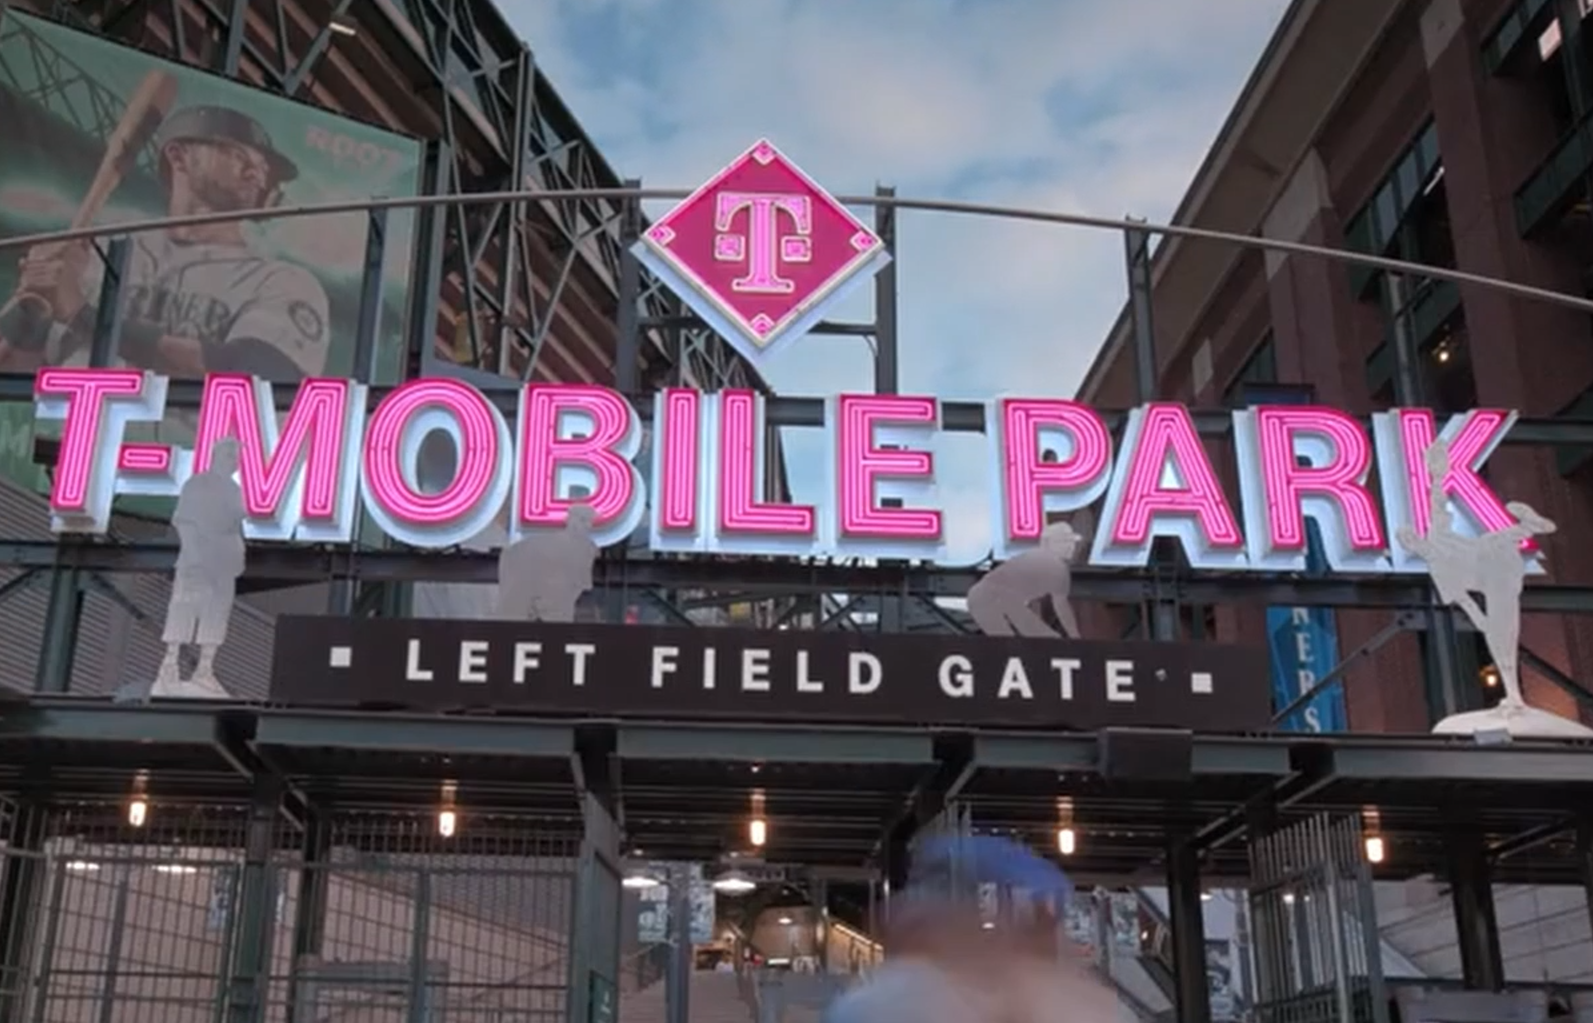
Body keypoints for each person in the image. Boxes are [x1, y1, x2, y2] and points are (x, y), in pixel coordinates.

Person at [0, 105, 331, 385]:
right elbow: (12, 369)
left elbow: (255, 374)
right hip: (67, 438)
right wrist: (34, 304)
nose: (255, 174)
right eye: (238, 156)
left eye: (262, 168)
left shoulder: (281, 281)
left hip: (190, 445)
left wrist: (82, 315)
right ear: (178, 156)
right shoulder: (92, 256)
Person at [1396, 438, 1556, 710]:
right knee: (1500, 637)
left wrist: (1438, 477)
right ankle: (1513, 693)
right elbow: (1462, 599)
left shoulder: (1437, 538)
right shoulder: (1437, 568)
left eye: (1411, 536)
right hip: (1493, 579)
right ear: (1410, 548)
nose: (1413, 540)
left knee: (1494, 542)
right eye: (1408, 541)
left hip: (1495, 562)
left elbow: (1437, 507)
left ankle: (1529, 526)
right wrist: (1481, 621)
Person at [152, 438, 246, 699]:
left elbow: (236, 524)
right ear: (217, 456)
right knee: (185, 607)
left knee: (216, 613)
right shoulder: (198, 484)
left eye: (236, 457)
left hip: (223, 560)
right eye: (230, 456)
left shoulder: (234, 490)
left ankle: (204, 670)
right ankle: (169, 666)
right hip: (199, 556)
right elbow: (184, 521)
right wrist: (193, 552)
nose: (234, 462)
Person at [967, 519, 1083, 639]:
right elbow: (1061, 606)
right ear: (1048, 543)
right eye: (1064, 542)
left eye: (1072, 542)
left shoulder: (1038, 558)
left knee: (1037, 640)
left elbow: (1030, 602)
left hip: (990, 598)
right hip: (990, 598)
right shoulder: (1053, 564)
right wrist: (1075, 637)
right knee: (1025, 642)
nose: (1071, 546)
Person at [495, 504, 600, 623]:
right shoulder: (537, 546)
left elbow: (583, 583)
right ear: (569, 520)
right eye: (582, 520)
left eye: (589, 521)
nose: (586, 525)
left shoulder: (588, 548)